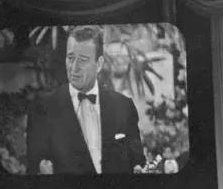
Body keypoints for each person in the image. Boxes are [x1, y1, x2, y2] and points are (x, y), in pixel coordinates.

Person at [25, 25, 146, 175]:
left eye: (82, 60)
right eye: (70, 58)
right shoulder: (42, 109)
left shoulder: (123, 106)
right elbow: (33, 171)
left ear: (99, 64)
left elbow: (138, 163)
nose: (74, 68)